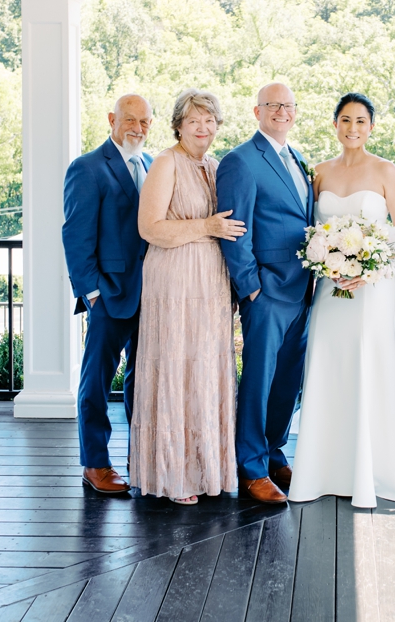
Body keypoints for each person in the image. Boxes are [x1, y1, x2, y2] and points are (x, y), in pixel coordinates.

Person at [288, 93, 395, 508]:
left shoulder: (386, 171)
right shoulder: (320, 172)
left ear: (371, 127)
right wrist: (328, 265)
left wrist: (368, 268)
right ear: (334, 125)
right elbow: (312, 231)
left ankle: (375, 472)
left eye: (361, 120)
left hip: (373, 288)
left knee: (369, 364)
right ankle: (323, 470)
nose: (353, 127)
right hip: (331, 288)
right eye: (345, 120)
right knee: (328, 365)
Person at [129, 89, 246, 505]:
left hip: (211, 281)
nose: (203, 128)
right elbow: (150, 228)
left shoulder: (214, 166)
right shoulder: (166, 162)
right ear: (178, 124)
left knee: (207, 368)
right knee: (177, 365)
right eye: (195, 120)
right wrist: (205, 227)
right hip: (175, 280)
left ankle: (207, 469)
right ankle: (174, 475)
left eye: (210, 120)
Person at [217, 82, 315, 505]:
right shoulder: (240, 161)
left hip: (304, 288)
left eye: (288, 106)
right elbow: (234, 230)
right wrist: (250, 288)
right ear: (257, 111)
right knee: (258, 380)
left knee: (287, 380)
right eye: (273, 105)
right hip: (267, 291)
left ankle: (274, 451)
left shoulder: (299, 159)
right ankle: (251, 467)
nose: (282, 112)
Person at [62, 94, 154, 494]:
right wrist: (92, 291)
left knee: (142, 381)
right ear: (112, 119)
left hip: (151, 293)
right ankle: (96, 463)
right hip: (110, 293)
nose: (137, 128)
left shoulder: (151, 165)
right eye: (130, 120)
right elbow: (75, 234)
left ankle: (142, 457)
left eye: (145, 122)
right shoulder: (87, 167)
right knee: (96, 381)